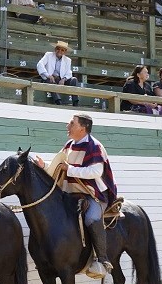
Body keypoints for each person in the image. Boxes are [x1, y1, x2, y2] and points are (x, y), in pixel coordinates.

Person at [34, 113, 116, 273]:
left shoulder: (94, 146)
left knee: (91, 218)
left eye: (72, 123)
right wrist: (44, 165)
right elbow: (59, 165)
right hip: (72, 194)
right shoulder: (69, 144)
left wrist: (70, 170)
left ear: (82, 127)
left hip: (94, 195)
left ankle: (102, 259)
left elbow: (95, 171)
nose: (68, 125)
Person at [37, 41, 79, 106]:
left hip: (61, 79)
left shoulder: (68, 60)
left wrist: (64, 79)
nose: (59, 51)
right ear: (55, 49)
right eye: (58, 49)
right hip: (50, 78)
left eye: (62, 50)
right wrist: (48, 75)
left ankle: (75, 102)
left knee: (74, 79)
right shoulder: (48, 55)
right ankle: (58, 101)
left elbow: (69, 72)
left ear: (65, 52)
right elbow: (40, 64)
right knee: (49, 81)